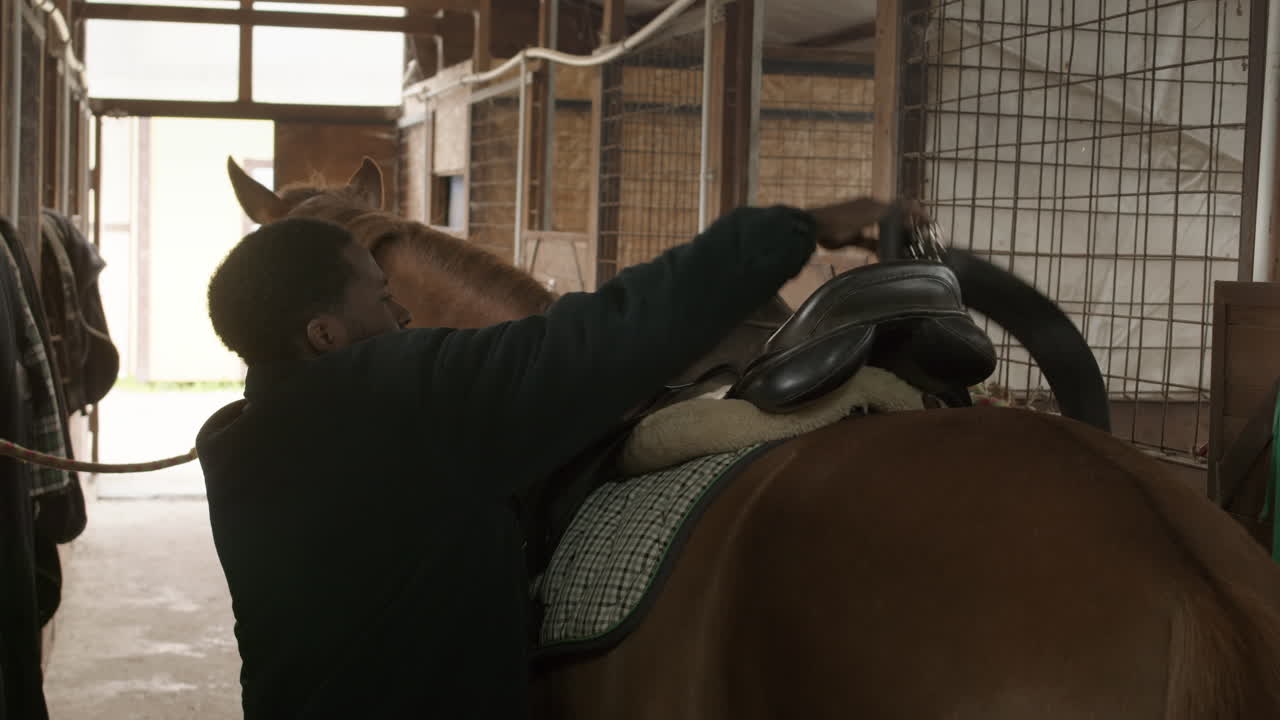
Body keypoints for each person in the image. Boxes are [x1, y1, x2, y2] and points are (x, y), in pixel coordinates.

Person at [196, 200, 894, 718]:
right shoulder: (401, 400)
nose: (403, 315)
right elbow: (600, 338)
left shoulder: (234, 447)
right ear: (324, 334)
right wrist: (790, 230)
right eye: (381, 300)